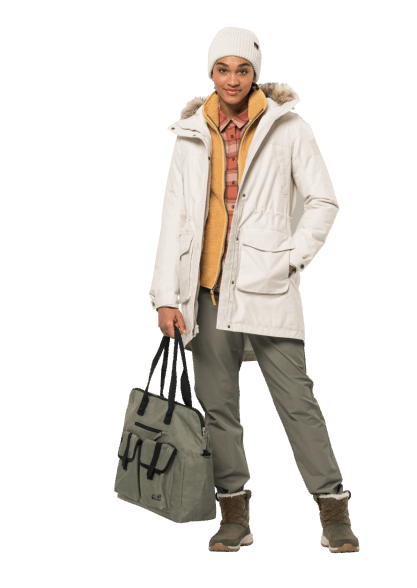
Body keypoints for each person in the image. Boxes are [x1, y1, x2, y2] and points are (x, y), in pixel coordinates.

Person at [149, 27, 359, 554]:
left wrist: (290, 259)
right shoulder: (189, 134)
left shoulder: (289, 127)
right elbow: (173, 219)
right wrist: (165, 295)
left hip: (267, 285)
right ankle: (234, 516)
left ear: (255, 73)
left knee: (297, 401)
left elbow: (324, 201)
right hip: (204, 289)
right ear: (211, 73)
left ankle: (333, 510)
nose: (233, 79)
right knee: (218, 405)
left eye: (243, 69)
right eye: (223, 69)